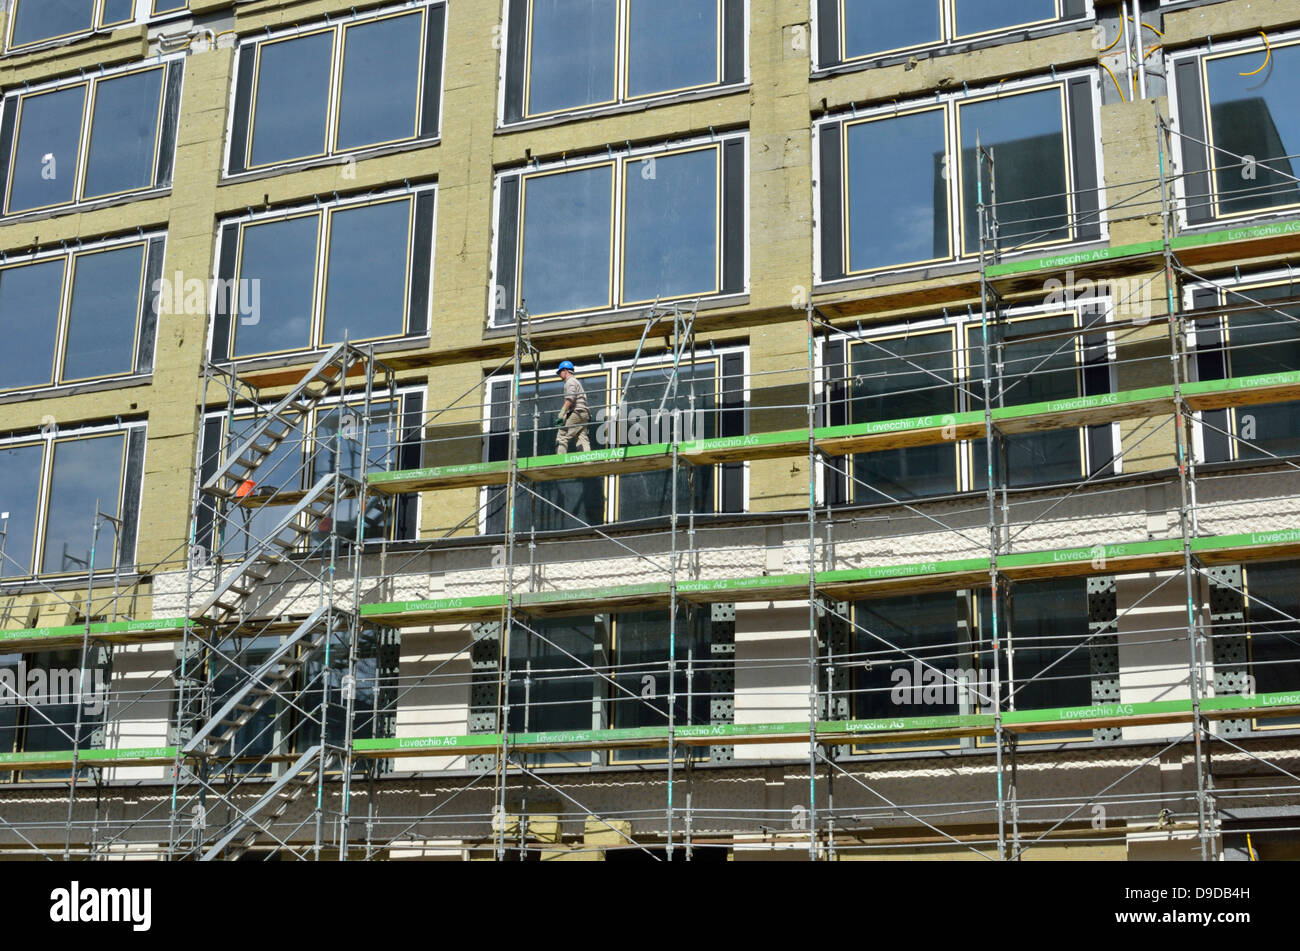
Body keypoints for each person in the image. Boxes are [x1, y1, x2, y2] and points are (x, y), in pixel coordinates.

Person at [554, 360, 591, 454]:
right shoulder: (575, 381)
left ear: (565, 371)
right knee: (582, 437)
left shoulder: (570, 382)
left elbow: (570, 398)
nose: (559, 374)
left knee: (562, 435)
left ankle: (560, 461)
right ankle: (587, 461)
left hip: (577, 412)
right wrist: (566, 415)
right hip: (584, 413)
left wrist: (562, 412)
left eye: (560, 372)